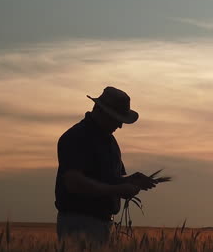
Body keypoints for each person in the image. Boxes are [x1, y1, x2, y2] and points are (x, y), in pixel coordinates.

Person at [54, 86, 160, 243]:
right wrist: (118, 189)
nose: (120, 125)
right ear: (102, 112)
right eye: (117, 118)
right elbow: (73, 182)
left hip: (102, 223)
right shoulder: (76, 137)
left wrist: (132, 180)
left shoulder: (109, 141)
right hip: (80, 222)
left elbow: (110, 179)